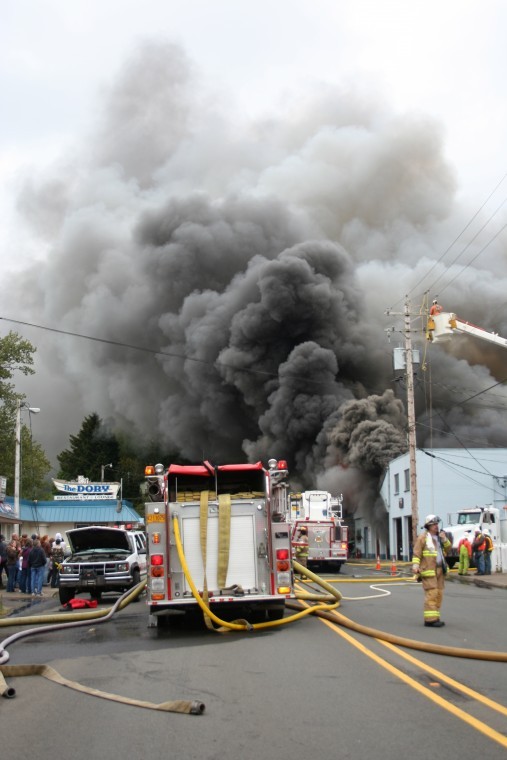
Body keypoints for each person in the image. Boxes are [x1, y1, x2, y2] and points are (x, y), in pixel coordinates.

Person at [412, 514, 451, 627]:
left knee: (439, 594)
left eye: (437, 524)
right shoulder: (423, 538)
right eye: (433, 524)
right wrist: (415, 566)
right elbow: (417, 553)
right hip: (428, 571)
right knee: (432, 594)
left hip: (440, 570)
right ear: (428, 526)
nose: (436, 526)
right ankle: (430, 620)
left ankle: (435, 617)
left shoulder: (439, 537)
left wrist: (444, 539)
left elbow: (448, 548)